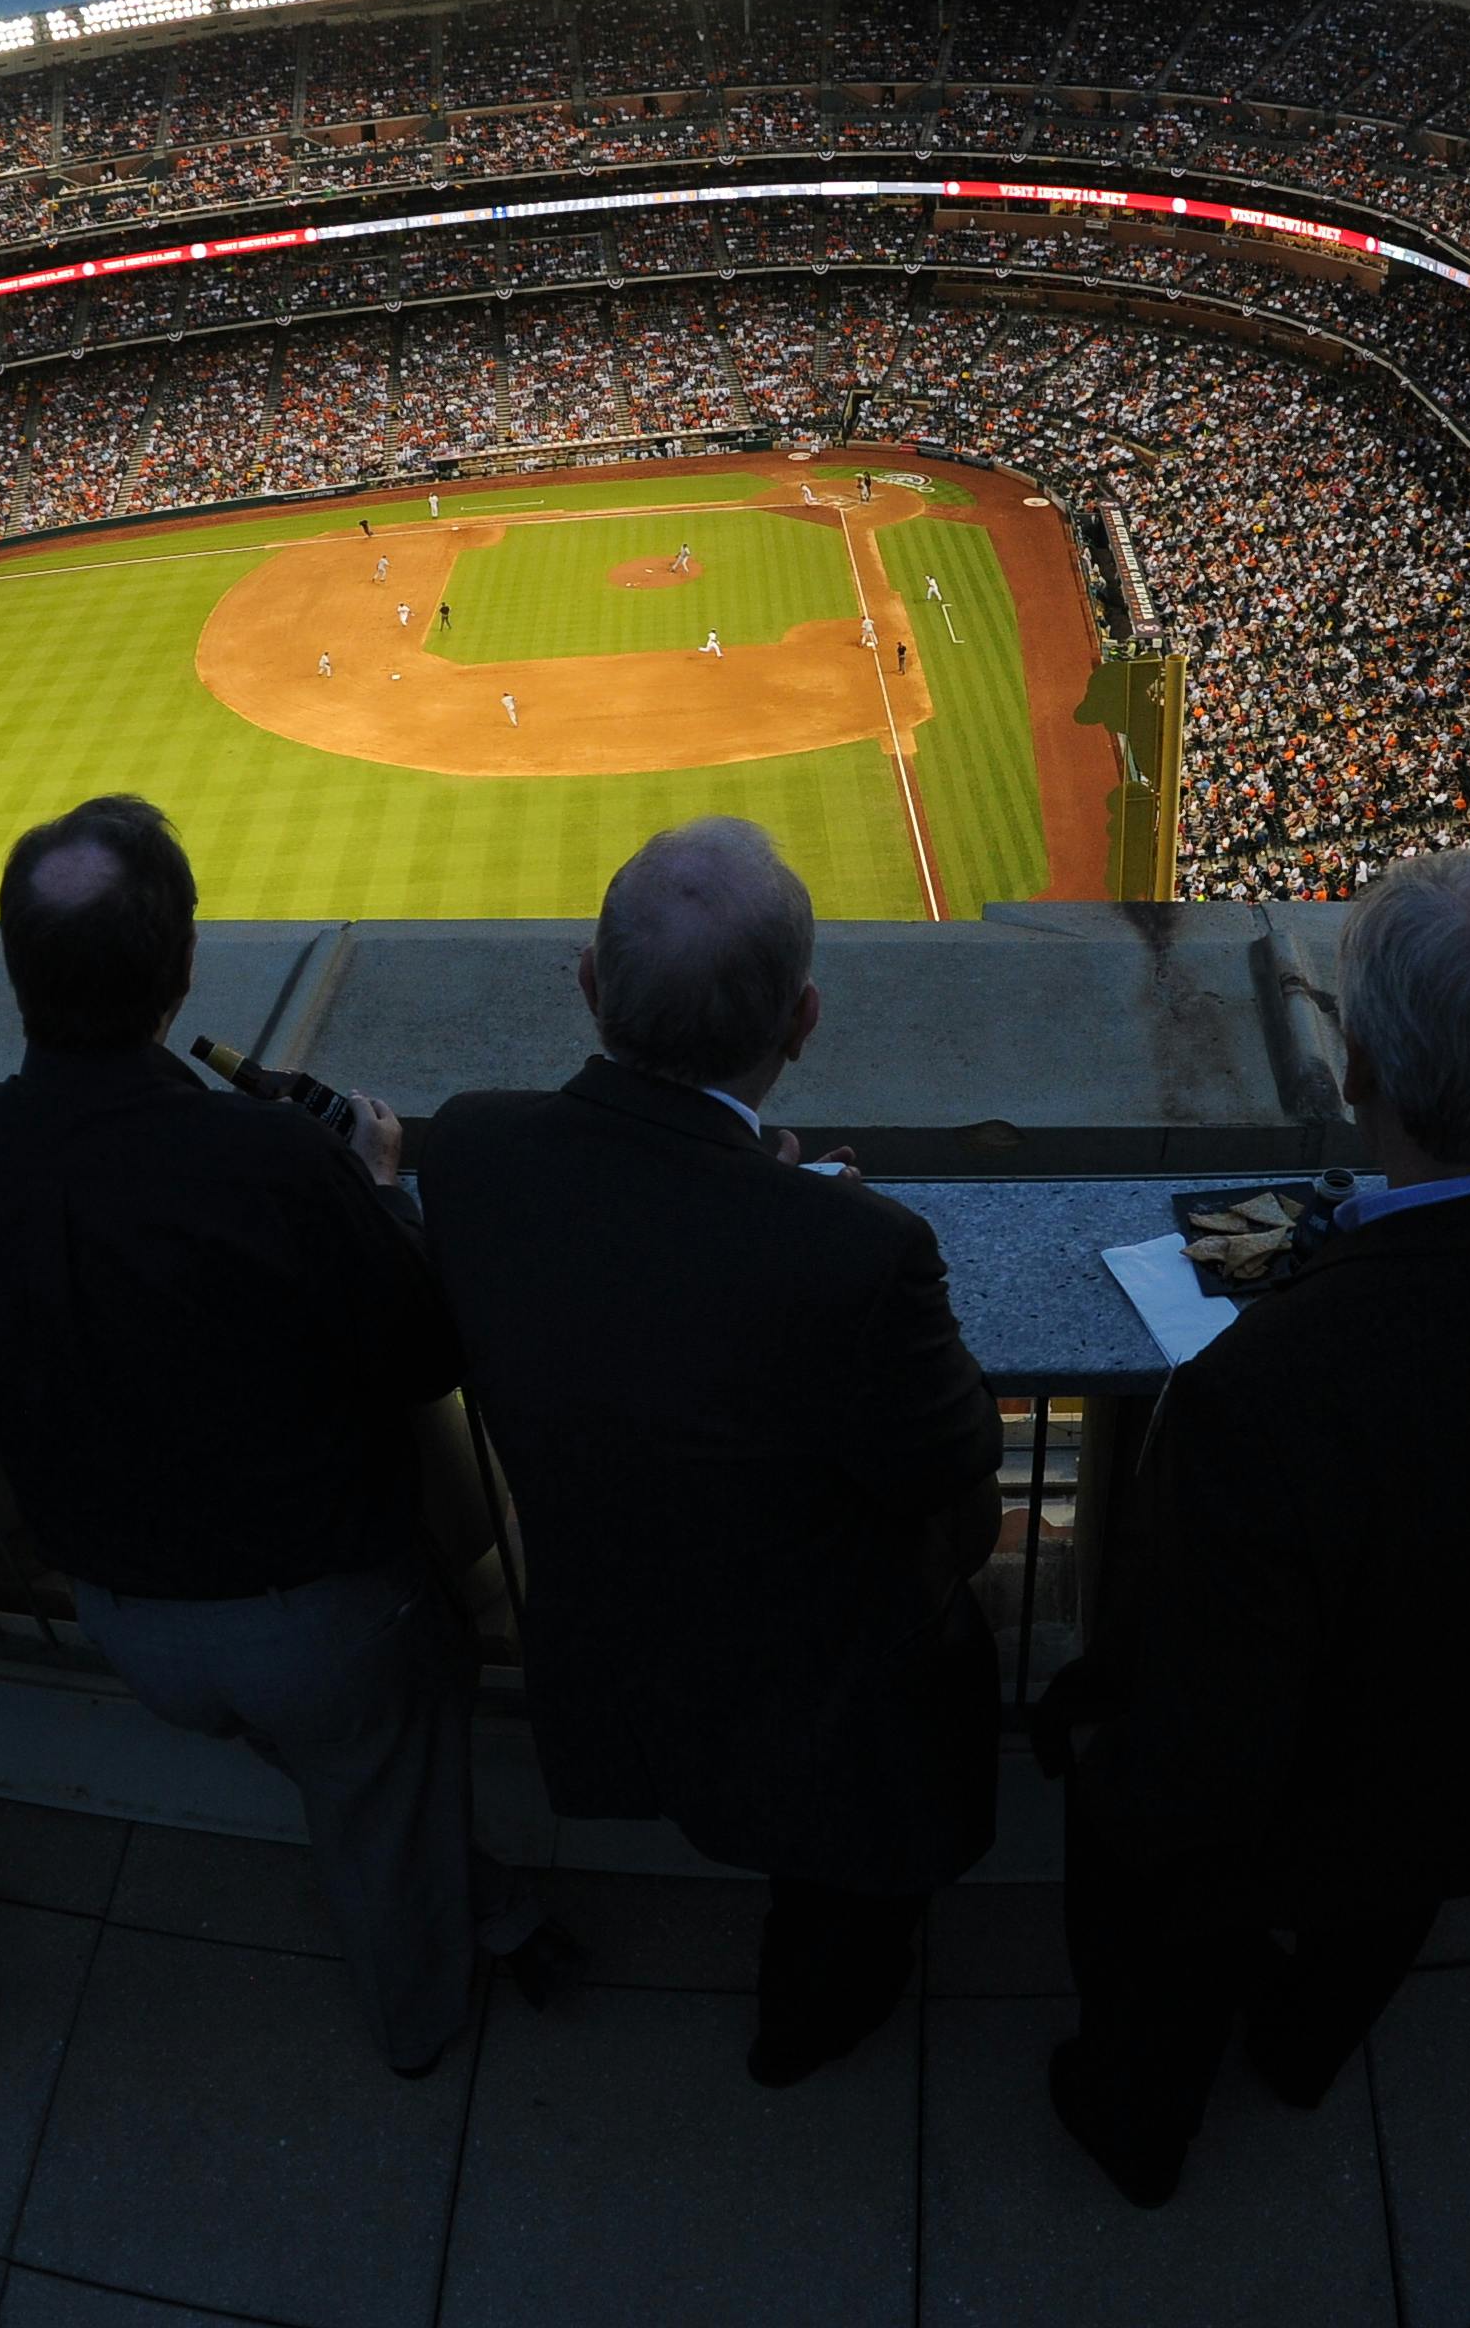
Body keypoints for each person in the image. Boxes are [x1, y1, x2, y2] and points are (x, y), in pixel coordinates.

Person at [1039, 852, 1470, 2207]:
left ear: (1360, 1074)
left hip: (1282, 1796)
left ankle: (1137, 2125)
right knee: (1369, 1926)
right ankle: (1297, 2054)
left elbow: (1202, 1728)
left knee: (1154, 1910)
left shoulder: (1263, 1388)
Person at [0, 798, 554, 2076]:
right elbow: (424, 1351)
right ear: (180, 965)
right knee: (374, 1789)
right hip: (315, 1617)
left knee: (347, 1780)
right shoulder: (263, 1159)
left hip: (122, 1613)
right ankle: (420, 2023)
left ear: (16, 966)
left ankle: (472, 1894)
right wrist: (368, 1189)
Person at [416, 819, 1001, 2087]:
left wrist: (768, 1212)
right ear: (801, 1022)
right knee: (852, 1887)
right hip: (818, 1702)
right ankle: (801, 2031)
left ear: (586, 986)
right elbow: (957, 1488)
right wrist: (796, 1221)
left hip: (603, 1649)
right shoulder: (862, 1253)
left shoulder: (465, 1149)